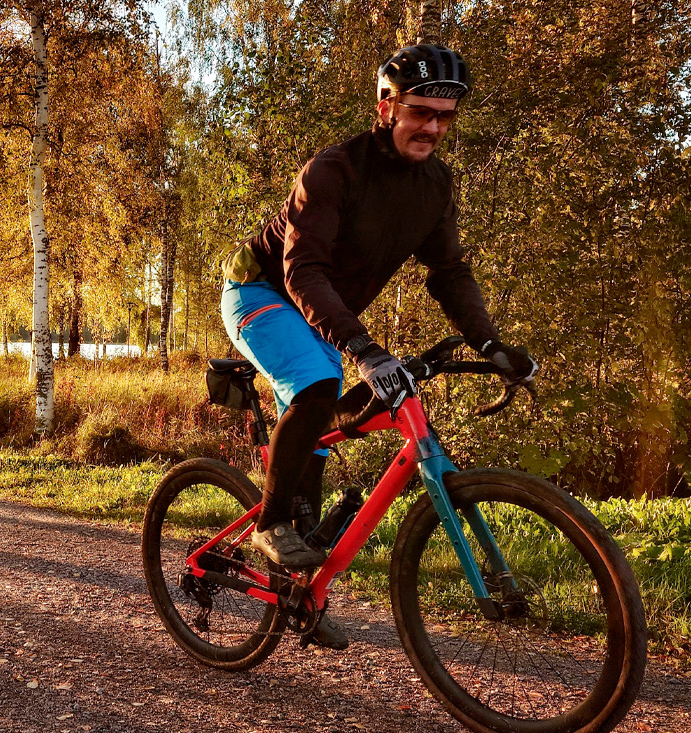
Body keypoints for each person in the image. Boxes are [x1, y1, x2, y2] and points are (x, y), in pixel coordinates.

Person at [217, 44, 539, 649]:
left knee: (326, 420)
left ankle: (299, 591)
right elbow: (303, 271)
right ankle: (272, 521)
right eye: (421, 112)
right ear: (387, 106)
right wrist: (365, 350)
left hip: (320, 308)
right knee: (317, 384)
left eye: (445, 116)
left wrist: (492, 342)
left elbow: (449, 273)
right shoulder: (334, 169)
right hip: (261, 290)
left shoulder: (436, 185)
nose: (434, 128)